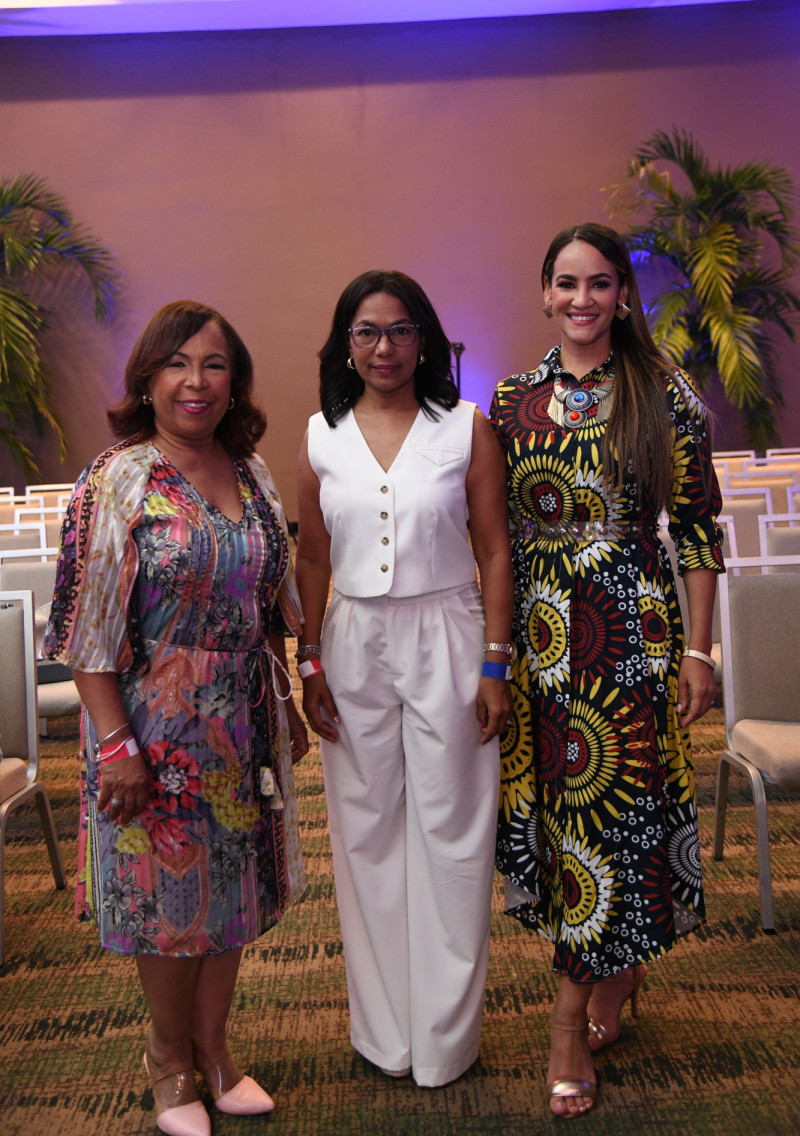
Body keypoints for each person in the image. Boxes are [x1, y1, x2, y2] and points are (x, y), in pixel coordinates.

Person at [44, 300, 308, 1136]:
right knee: (165, 903)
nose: (196, 382)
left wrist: (286, 699)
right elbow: (86, 634)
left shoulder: (254, 470)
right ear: (148, 380)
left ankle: (216, 1051)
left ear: (236, 381)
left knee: (233, 891)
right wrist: (117, 743)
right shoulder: (117, 479)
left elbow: (270, 604)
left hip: (241, 720)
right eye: (178, 364)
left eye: (215, 365)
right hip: (150, 726)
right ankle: (168, 1064)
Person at [490, 224, 724, 1118]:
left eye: (599, 284)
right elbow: (498, 541)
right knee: (566, 824)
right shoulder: (511, 402)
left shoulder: (666, 397)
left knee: (616, 815)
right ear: (545, 295)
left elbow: (699, 533)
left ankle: (566, 1019)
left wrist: (700, 650)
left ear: (622, 294)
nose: (582, 299)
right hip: (544, 649)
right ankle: (614, 976)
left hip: (632, 638)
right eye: (565, 284)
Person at [295, 269, 513, 1087]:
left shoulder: (464, 429)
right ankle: (385, 1034)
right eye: (366, 332)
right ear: (345, 346)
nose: (383, 346)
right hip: (351, 640)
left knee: (455, 832)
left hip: (449, 635)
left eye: (398, 330)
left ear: (426, 340)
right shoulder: (322, 434)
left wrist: (496, 662)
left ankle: (446, 1041)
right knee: (366, 834)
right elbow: (313, 555)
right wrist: (308, 658)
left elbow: (495, 549)